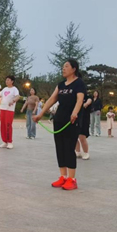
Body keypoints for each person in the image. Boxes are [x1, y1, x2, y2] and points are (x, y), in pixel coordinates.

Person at [33, 59, 86, 190]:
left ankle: (72, 179)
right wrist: (40, 114)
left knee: (69, 148)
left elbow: (80, 100)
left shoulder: (79, 83)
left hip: (71, 121)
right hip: (59, 119)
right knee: (60, 148)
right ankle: (63, 176)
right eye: (63, 67)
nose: (63, 69)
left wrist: (75, 113)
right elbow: (52, 99)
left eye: (66, 66)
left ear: (74, 69)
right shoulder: (61, 85)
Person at [0, 76, 20, 149]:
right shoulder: (4, 89)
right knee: (2, 125)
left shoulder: (14, 89)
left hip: (9, 110)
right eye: (6, 80)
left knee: (8, 125)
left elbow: (18, 96)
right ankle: (4, 141)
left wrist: (13, 101)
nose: (6, 81)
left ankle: (9, 142)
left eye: (8, 80)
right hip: (2, 109)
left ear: (12, 81)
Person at [75, 93, 92, 159]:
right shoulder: (76, 97)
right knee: (75, 136)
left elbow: (88, 102)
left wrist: (85, 104)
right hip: (75, 118)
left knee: (82, 136)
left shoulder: (88, 97)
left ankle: (85, 152)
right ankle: (78, 151)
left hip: (84, 119)